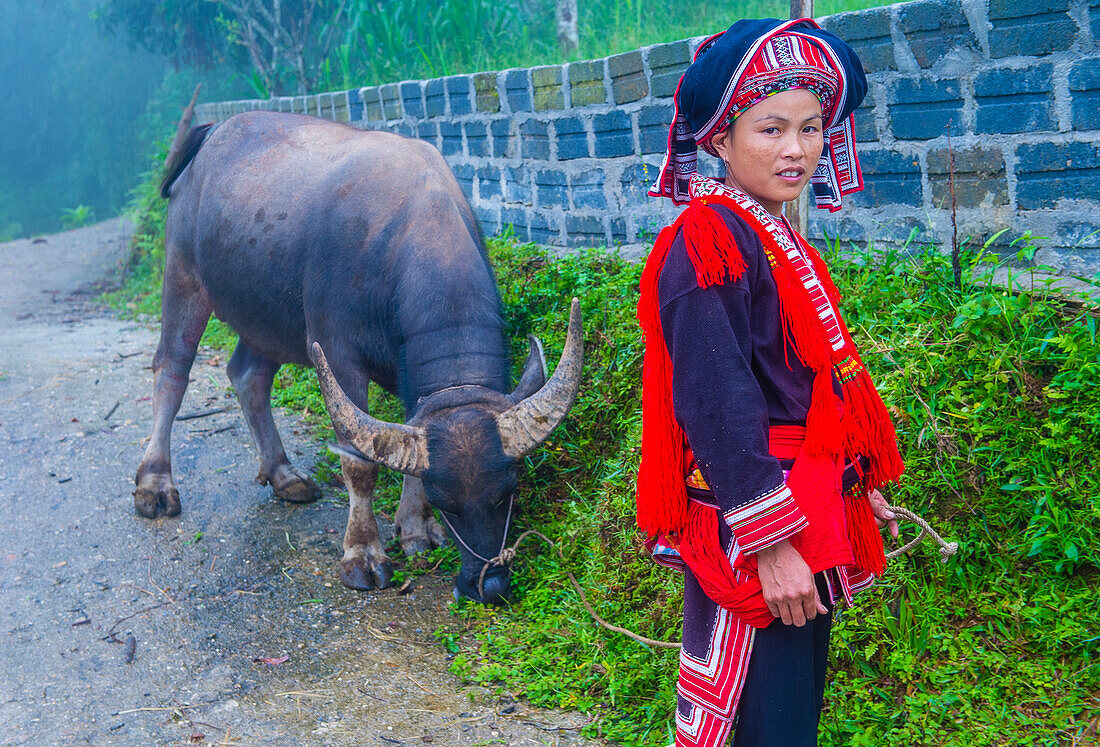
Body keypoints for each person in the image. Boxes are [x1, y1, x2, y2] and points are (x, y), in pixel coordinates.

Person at [635, 18, 905, 746]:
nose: (797, 149)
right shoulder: (709, 241)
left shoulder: (772, 234)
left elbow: (805, 386)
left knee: (789, 709)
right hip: (762, 527)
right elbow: (717, 403)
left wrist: (855, 478)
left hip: (807, 503)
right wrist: (770, 543)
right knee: (762, 719)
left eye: (812, 127)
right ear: (719, 140)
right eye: (770, 129)